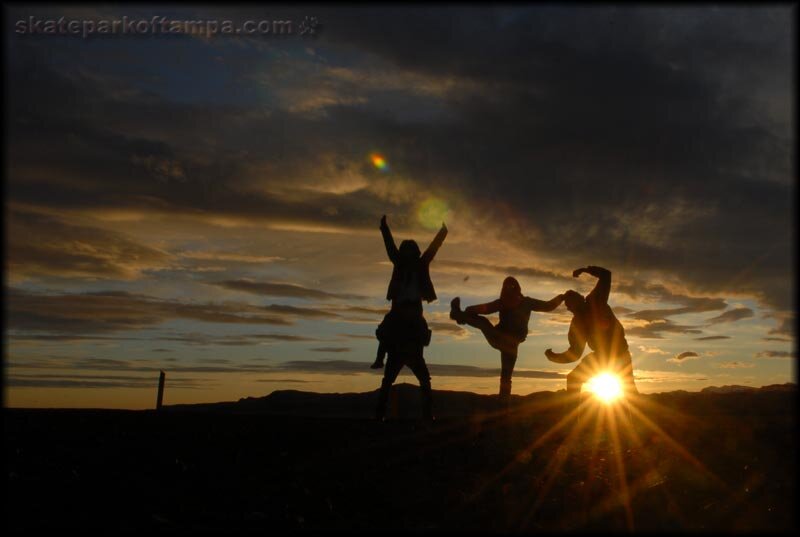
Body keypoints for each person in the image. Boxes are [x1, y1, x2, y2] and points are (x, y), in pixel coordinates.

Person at [372, 214, 447, 421]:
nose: (407, 253)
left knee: (420, 377)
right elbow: (390, 247)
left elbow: (432, 250)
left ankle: (427, 414)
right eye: (405, 250)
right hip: (399, 309)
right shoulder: (398, 264)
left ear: (415, 252)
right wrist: (384, 228)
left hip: (413, 311)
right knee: (387, 329)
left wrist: (442, 233)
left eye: (410, 249)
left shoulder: (421, 265)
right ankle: (379, 359)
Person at [449, 277, 564, 397]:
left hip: (509, 343)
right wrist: (467, 313)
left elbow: (547, 306)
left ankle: (504, 407)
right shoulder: (505, 303)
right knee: (483, 323)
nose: (510, 291)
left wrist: (561, 297)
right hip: (500, 338)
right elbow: (485, 309)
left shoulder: (523, 302)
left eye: (512, 288)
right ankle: (458, 315)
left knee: (506, 377)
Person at [545, 265, 638, 399]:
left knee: (630, 393)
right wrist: (554, 357)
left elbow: (606, 275)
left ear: (580, 297)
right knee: (573, 379)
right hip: (601, 356)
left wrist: (585, 270)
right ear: (570, 309)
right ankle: (573, 419)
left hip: (619, 354)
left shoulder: (595, 300)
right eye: (569, 303)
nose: (571, 303)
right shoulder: (577, 323)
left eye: (573, 297)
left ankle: (639, 418)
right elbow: (575, 353)